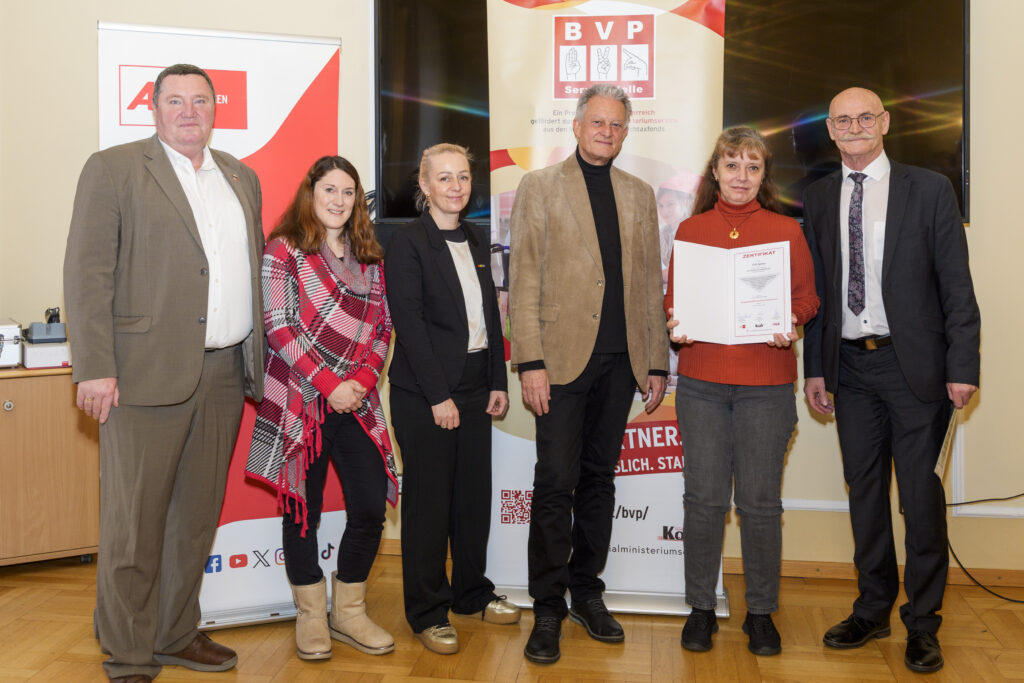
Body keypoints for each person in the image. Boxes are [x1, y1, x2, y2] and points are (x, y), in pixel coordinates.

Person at [63, 64, 265, 682]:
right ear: (152, 109)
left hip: (225, 372)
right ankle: (128, 650)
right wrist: (95, 367)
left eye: (200, 100)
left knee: (195, 517)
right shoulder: (114, 169)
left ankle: (177, 631)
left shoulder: (240, 175)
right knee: (134, 521)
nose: (188, 111)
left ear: (214, 109)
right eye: (174, 100)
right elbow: (87, 272)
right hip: (141, 375)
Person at [801, 87, 980, 674]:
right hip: (849, 370)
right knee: (865, 496)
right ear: (830, 130)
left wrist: (963, 368)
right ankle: (873, 607)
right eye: (843, 120)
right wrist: (816, 368)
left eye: (865, 117)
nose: (854, 127)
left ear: (885, 123)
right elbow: (817, 295)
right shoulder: (819, 196)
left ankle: (922, 623)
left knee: (922, 503)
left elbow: (956, 285)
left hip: (916, 371)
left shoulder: (928, 189)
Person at [509, 84, 669, 664]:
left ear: (626, 133)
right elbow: (524, 277)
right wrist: (529, 360)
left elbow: (649, 283)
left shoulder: (639, 194)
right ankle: (547, 605)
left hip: (621, 363)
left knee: (600, 480)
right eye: (597, 122)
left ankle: (586, 591)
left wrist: (656, 360)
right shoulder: (539, 186)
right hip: (558, 361)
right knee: (555, 482)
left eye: (617, 125)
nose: (607, 131)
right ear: (576, 126)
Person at [664, 127, 819, 656]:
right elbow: (673, 301)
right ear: (715, 172)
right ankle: (701, 608)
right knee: (703, 500)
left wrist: (791, 320)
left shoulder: (786, 231)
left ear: (763, 175)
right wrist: (675, 325)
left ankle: (760, 613)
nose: (741, 177)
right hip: (703, 383)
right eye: (732, 166)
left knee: (759, 503)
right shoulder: (690, 229)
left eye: (752, 167)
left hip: (766, 385)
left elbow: (806, 299)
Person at [246, 156, 398, 661]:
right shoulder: (283, 249)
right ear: (310, 194)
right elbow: (279, 326)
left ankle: (348, 610)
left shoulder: (369, 254)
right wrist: (330, 383)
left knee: (371, 508)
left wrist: (360, 380)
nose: (338, 200)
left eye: (348, 192)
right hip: (302, 401)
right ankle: (311, 613)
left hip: (357, 400)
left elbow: (382, 328)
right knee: (302, 510)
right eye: (329, 190)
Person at [384, 143, 519, 655]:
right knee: (429, 505)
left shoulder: (477, 236)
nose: (456, 187)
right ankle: (426, 611)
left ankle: (471, 593)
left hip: (475, 385)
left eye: (462, 177)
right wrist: (440, 396)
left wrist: (498, 382)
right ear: (425, 186)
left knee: (471, 499)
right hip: (426, 394)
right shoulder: (407, 243)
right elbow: (410, 326)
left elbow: (490, 314)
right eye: (444, 178)